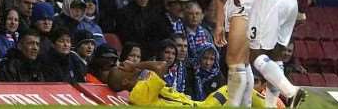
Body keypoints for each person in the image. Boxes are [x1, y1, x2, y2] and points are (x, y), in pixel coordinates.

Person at [107, 61, 265, 107]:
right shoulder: (138, 94)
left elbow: (161, 65)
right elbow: (161, 66)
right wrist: (134, 66)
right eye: (123, 70)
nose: (126, 67)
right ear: (125, 81)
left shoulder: (142, 84)